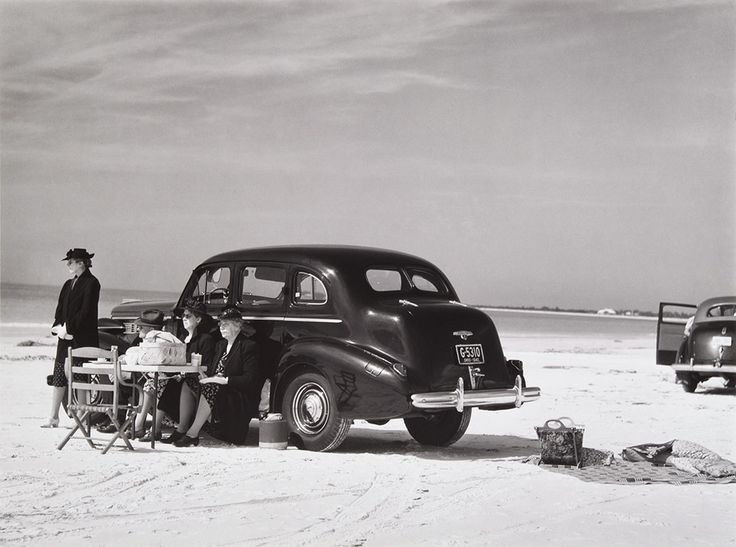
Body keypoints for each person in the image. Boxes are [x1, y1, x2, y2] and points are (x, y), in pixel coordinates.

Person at [169, 307, 260, 447]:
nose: (221, 328)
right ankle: (182, 428)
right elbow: (213, 370)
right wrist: (204, 375)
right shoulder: (220, 345)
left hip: (235, 394)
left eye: (226, 324)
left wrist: (224, 380)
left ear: (237, 326)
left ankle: (192, 434)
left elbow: (250, 379)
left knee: (211, 386)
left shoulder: (248, 346)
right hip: (217, 389)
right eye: (220, 324)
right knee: (188, 383)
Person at [43, 248, 100, 428]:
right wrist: (58, 326)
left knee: (81, 378)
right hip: (64, 337)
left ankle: (82, 418)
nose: (68, 264)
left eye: (71, 261)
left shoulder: (92, 283)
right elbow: (60, 309)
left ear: (81, 263)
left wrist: (70, 327)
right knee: (59, 375)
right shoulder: (68, 284)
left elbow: (86, 311)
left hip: (82, 338)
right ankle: (53, 417)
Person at [154, 299, 216, 442]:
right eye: (183, 316)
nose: (184, 319)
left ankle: (181, 429)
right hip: (180, 377)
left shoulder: (206, 340)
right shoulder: (182, 338)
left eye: (188, 316)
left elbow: (206, 365)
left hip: (197, 379)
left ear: (199, 319)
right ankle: (156, 429)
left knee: (181, 384)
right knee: (163, 383)